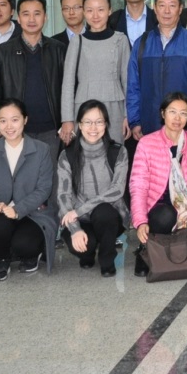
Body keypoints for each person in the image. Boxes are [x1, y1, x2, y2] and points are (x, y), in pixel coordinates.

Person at [129, 92, 187, 277]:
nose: (177, 118)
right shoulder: (146, 143)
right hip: (157, 206)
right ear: (163, 113)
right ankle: (146, 250)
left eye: (183, 113)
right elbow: (138, 185)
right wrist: (140, 221)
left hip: (186, 205)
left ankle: (169, 256)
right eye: (172, 112)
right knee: (166, 216)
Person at [0, 98, 57, 281]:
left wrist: (18, 209)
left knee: (24, 245)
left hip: (33, 212)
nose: (9, 126)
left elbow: (44, 189)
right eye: (3, 120)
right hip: (1, 211)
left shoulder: (41, 149)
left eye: (15, 119)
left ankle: (31, 254)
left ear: (25, 120)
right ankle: (1, 260)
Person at [125, 0, 187, 142]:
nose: (166, 11)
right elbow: (133, 86)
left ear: (180, 9)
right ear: (155, 8)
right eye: (162, 5)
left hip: (186, 124)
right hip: (150, 123)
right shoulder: (141, 44)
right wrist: (135, 121)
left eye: (172, 6)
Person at [57, 100, 130, 277]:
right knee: (83, 246)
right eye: (87, 122)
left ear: (106, 124)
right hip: (79, 219)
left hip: (109, 216)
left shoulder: (118, 152)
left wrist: (80, 210)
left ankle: (107, 259)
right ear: (79, 125)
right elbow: (63, 196)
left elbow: (117, 190)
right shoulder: (67, 155)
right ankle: (88, 253)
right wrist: (75, 229)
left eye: (99, 122)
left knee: (103, 212)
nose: (93, 128)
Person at [0, 0, 67, 154]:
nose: (31, 19)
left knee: (50, 169)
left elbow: (67, 89)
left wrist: (67, 121)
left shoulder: (58, 49)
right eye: (26, 14)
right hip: (16, 129)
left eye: (37, 14)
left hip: (51, 129)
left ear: (45, 17)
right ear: (18, 18)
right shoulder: (3, 51)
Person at [61, 0, 130, 144]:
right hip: (84, 106)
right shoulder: (77, 41)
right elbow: (68, 83)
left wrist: (128, 115)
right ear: (84, 13)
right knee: (85, 152)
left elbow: (127, 80)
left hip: (114, 106)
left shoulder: (120, 40)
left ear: (109, 11)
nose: (95, 15)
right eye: (90, 10)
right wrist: (67, 119)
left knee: (114, 152)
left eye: (101, 10)